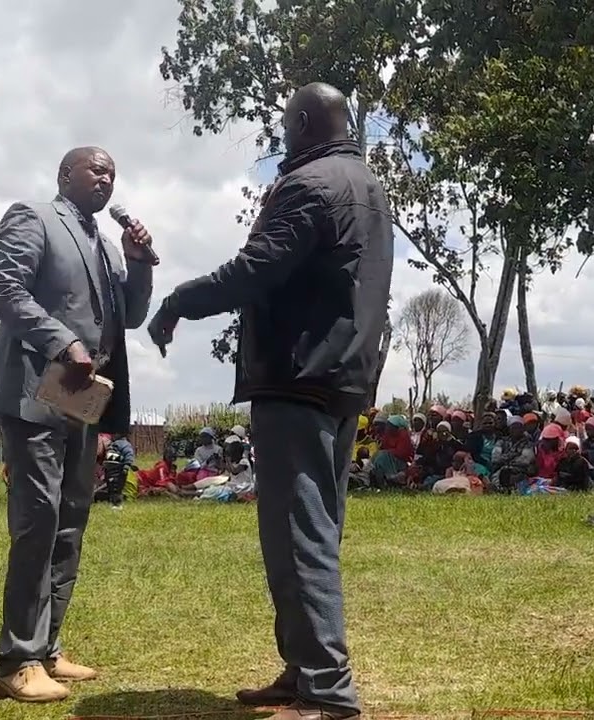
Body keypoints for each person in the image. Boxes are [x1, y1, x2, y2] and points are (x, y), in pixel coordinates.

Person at [146, 82, 390, 720]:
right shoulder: (367, 186)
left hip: (297, 378)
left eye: (286, 124)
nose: (282, 135)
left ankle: (328, 692)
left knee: (297, 533)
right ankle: (303, 668)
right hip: (343, 381)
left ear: (304, 122)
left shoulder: (309, 185)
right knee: (316, 530)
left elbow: (257, 269)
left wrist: (180, 301)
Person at [0, 145, 154, 702]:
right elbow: (5, 293)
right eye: (97, 170)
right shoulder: (33, 218)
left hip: (83, 404)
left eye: (113, 174)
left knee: (69, 522)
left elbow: (130, 316)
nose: (106, 180)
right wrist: (64, 341)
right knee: (37, 520)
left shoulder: (105, 244)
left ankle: (48, 647)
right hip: (34, 395)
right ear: (66, 175)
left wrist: (139, 263)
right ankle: (18, 657)